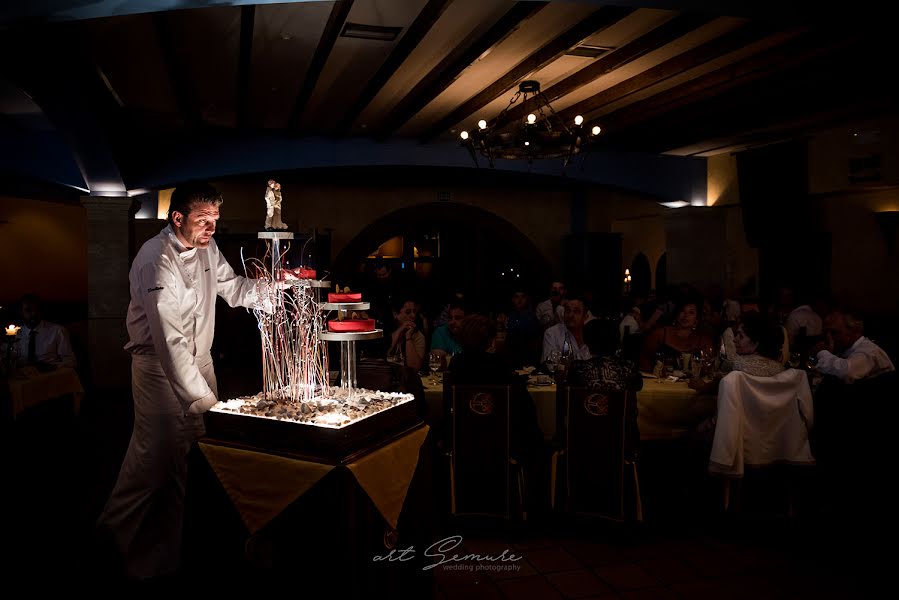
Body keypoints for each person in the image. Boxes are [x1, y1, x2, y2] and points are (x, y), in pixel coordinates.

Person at [97, 181, 290, 581]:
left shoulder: (206, 246)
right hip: (156, 368)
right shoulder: (156, 258)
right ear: (177, 218)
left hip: (200, 361)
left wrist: (274, 288)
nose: (211, 229)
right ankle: (108, 550)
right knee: (151, 463)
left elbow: (233, 287)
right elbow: (169, 343)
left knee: (185, 464)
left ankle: (165, 559)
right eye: (203, 221)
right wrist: (206, 405)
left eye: (215, 221)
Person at [814, 309, 895, 383]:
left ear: (855, 331)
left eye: (834, 333)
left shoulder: (869, 351)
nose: (829, 338)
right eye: (825, 333)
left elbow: (847, 373)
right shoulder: (842, 349)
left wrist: (822, 352)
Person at [14, 293, 76, 369]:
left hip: (50, 376)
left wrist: (53, 367)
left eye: (36, 310)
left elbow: (70, 360)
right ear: (21, 312)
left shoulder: (57, 331)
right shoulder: (16, 334)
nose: (33, 314)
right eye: (28, 310)